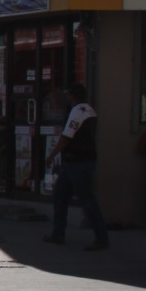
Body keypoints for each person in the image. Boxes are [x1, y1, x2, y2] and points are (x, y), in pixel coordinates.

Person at [43, 82, 108, 251]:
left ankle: (101, 238)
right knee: (60, 196)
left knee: (87, 200)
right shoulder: (89, 110)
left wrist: (51, 155)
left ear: (73, 96)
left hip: (78, 162)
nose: (66, 97)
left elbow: (67, 137)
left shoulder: (78, 111)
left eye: (68, 94)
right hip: (75, 162)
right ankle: (58, 234)